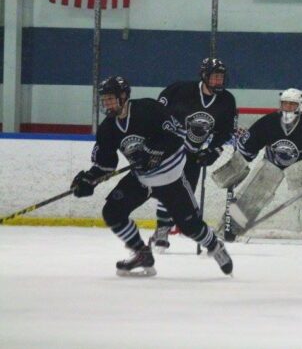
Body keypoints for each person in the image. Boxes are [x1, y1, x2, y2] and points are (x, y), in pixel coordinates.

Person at [70, 76, 233, 277]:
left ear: (123, 96)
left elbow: (175, 137)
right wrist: (89, 179)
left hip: (170, 177)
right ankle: (142, 254)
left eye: (111, 98)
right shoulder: (107, 128)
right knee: (112, 212)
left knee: (190, 227)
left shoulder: (147, 108)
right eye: (105, 99)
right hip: (141, 179)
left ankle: (215, 246)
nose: (107, 103)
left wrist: (151, 151)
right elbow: (106, 163)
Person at [211, 88, 302, 242]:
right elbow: (249, 145)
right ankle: (229, 227)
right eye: (285, 104)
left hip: (299, 165)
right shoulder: (270, 121)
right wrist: (236, 165)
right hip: (271, 163)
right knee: (251, 195)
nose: (287, 107)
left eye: (292, 104)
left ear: (300, 105)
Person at [149, 57, 237, 252]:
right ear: (204, 76)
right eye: (214, 77)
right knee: (169, 189)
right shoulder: (179, 91)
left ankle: (189, 232)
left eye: (221, 77)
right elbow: (157, 115)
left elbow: (225, 132)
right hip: (172, 151)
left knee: (183, 195)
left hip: (195, 154)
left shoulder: (227, 100)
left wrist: (213, 151)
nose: (219, 81)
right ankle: (163, 229)